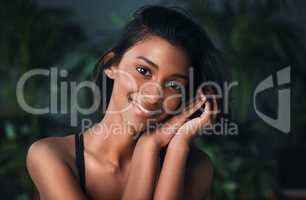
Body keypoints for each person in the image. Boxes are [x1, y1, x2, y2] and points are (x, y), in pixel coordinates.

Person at [26, 5, 225, 200]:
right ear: (111, 64)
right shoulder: (51, 156)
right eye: (143, 71)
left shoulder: (195, 168)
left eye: (173, 84)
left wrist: (172, 146)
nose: (154, 95)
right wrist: (148, 148)